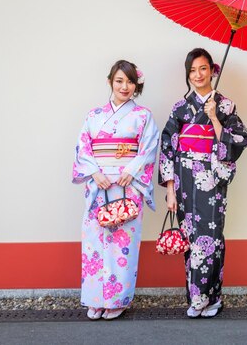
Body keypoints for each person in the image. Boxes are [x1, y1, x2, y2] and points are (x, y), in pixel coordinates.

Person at [159, 48, 247, 318]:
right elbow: (168, 147)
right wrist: (171, 190)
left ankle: (211, 299)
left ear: (212, 70)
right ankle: (196, 297)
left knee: (211, 238)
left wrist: (213, 117)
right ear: (188, 74)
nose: (198, 75)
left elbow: (240, 140)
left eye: (202, 68)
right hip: (185, 179)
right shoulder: (180, 107)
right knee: (191, 238)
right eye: (192, 70)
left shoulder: (225, 106)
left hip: (211, 179)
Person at [72, 60, 159, 320]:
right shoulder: (93, 116)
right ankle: (95, 299)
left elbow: (149, 147)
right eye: (120, 80)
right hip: (99, 185)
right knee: (95, 243)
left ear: (136, 85)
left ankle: (117, 299)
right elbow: (82, 147)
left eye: (130, 81)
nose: (125, 86)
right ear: (110, 81)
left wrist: (131, 171)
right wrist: (95, 173)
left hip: (127, 184)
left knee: (124, 243)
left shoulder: (143, 116)